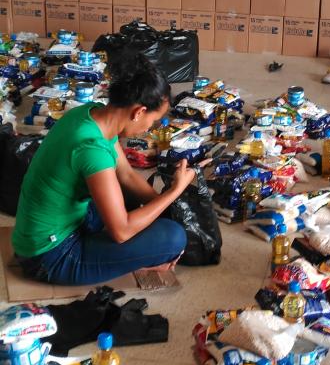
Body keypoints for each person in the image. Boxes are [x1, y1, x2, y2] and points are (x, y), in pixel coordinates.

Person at [13, 55, 198, 285]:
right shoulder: (92, 149)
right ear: (139, 111)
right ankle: (128, 259)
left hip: (60, 223)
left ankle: (118, 251)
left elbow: (128, 176)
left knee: (133, 200)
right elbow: (121, 231)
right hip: (49, 256)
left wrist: (165, 207)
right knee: (173, 237)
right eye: (153, 120)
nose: (149, 128)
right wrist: (173, 192)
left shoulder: (93, 115)